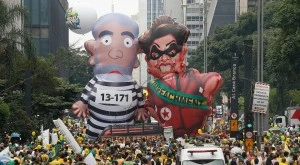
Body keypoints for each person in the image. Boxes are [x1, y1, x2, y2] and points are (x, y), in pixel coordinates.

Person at [138, 15, 222, 138]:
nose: (164, 59)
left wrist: (207, 92)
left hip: (192, 132)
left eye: (171, 52)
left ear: (182, 52)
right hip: (169, 135)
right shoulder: (153, 87)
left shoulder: (191, 77)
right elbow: (150, 107)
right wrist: (159, 121)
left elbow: (215, 78)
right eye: (156, 54)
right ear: (148, 60)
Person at [72, 13, 148, 141]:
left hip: (125, 128)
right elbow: (86, 94)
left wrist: (141, 109)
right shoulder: (96, 80)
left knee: (123, 141)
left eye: (127, 42)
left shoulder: (133, 84)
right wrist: (82, 103)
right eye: (106, 40)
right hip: (97, 127)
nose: (116, 53)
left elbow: (139, 97)